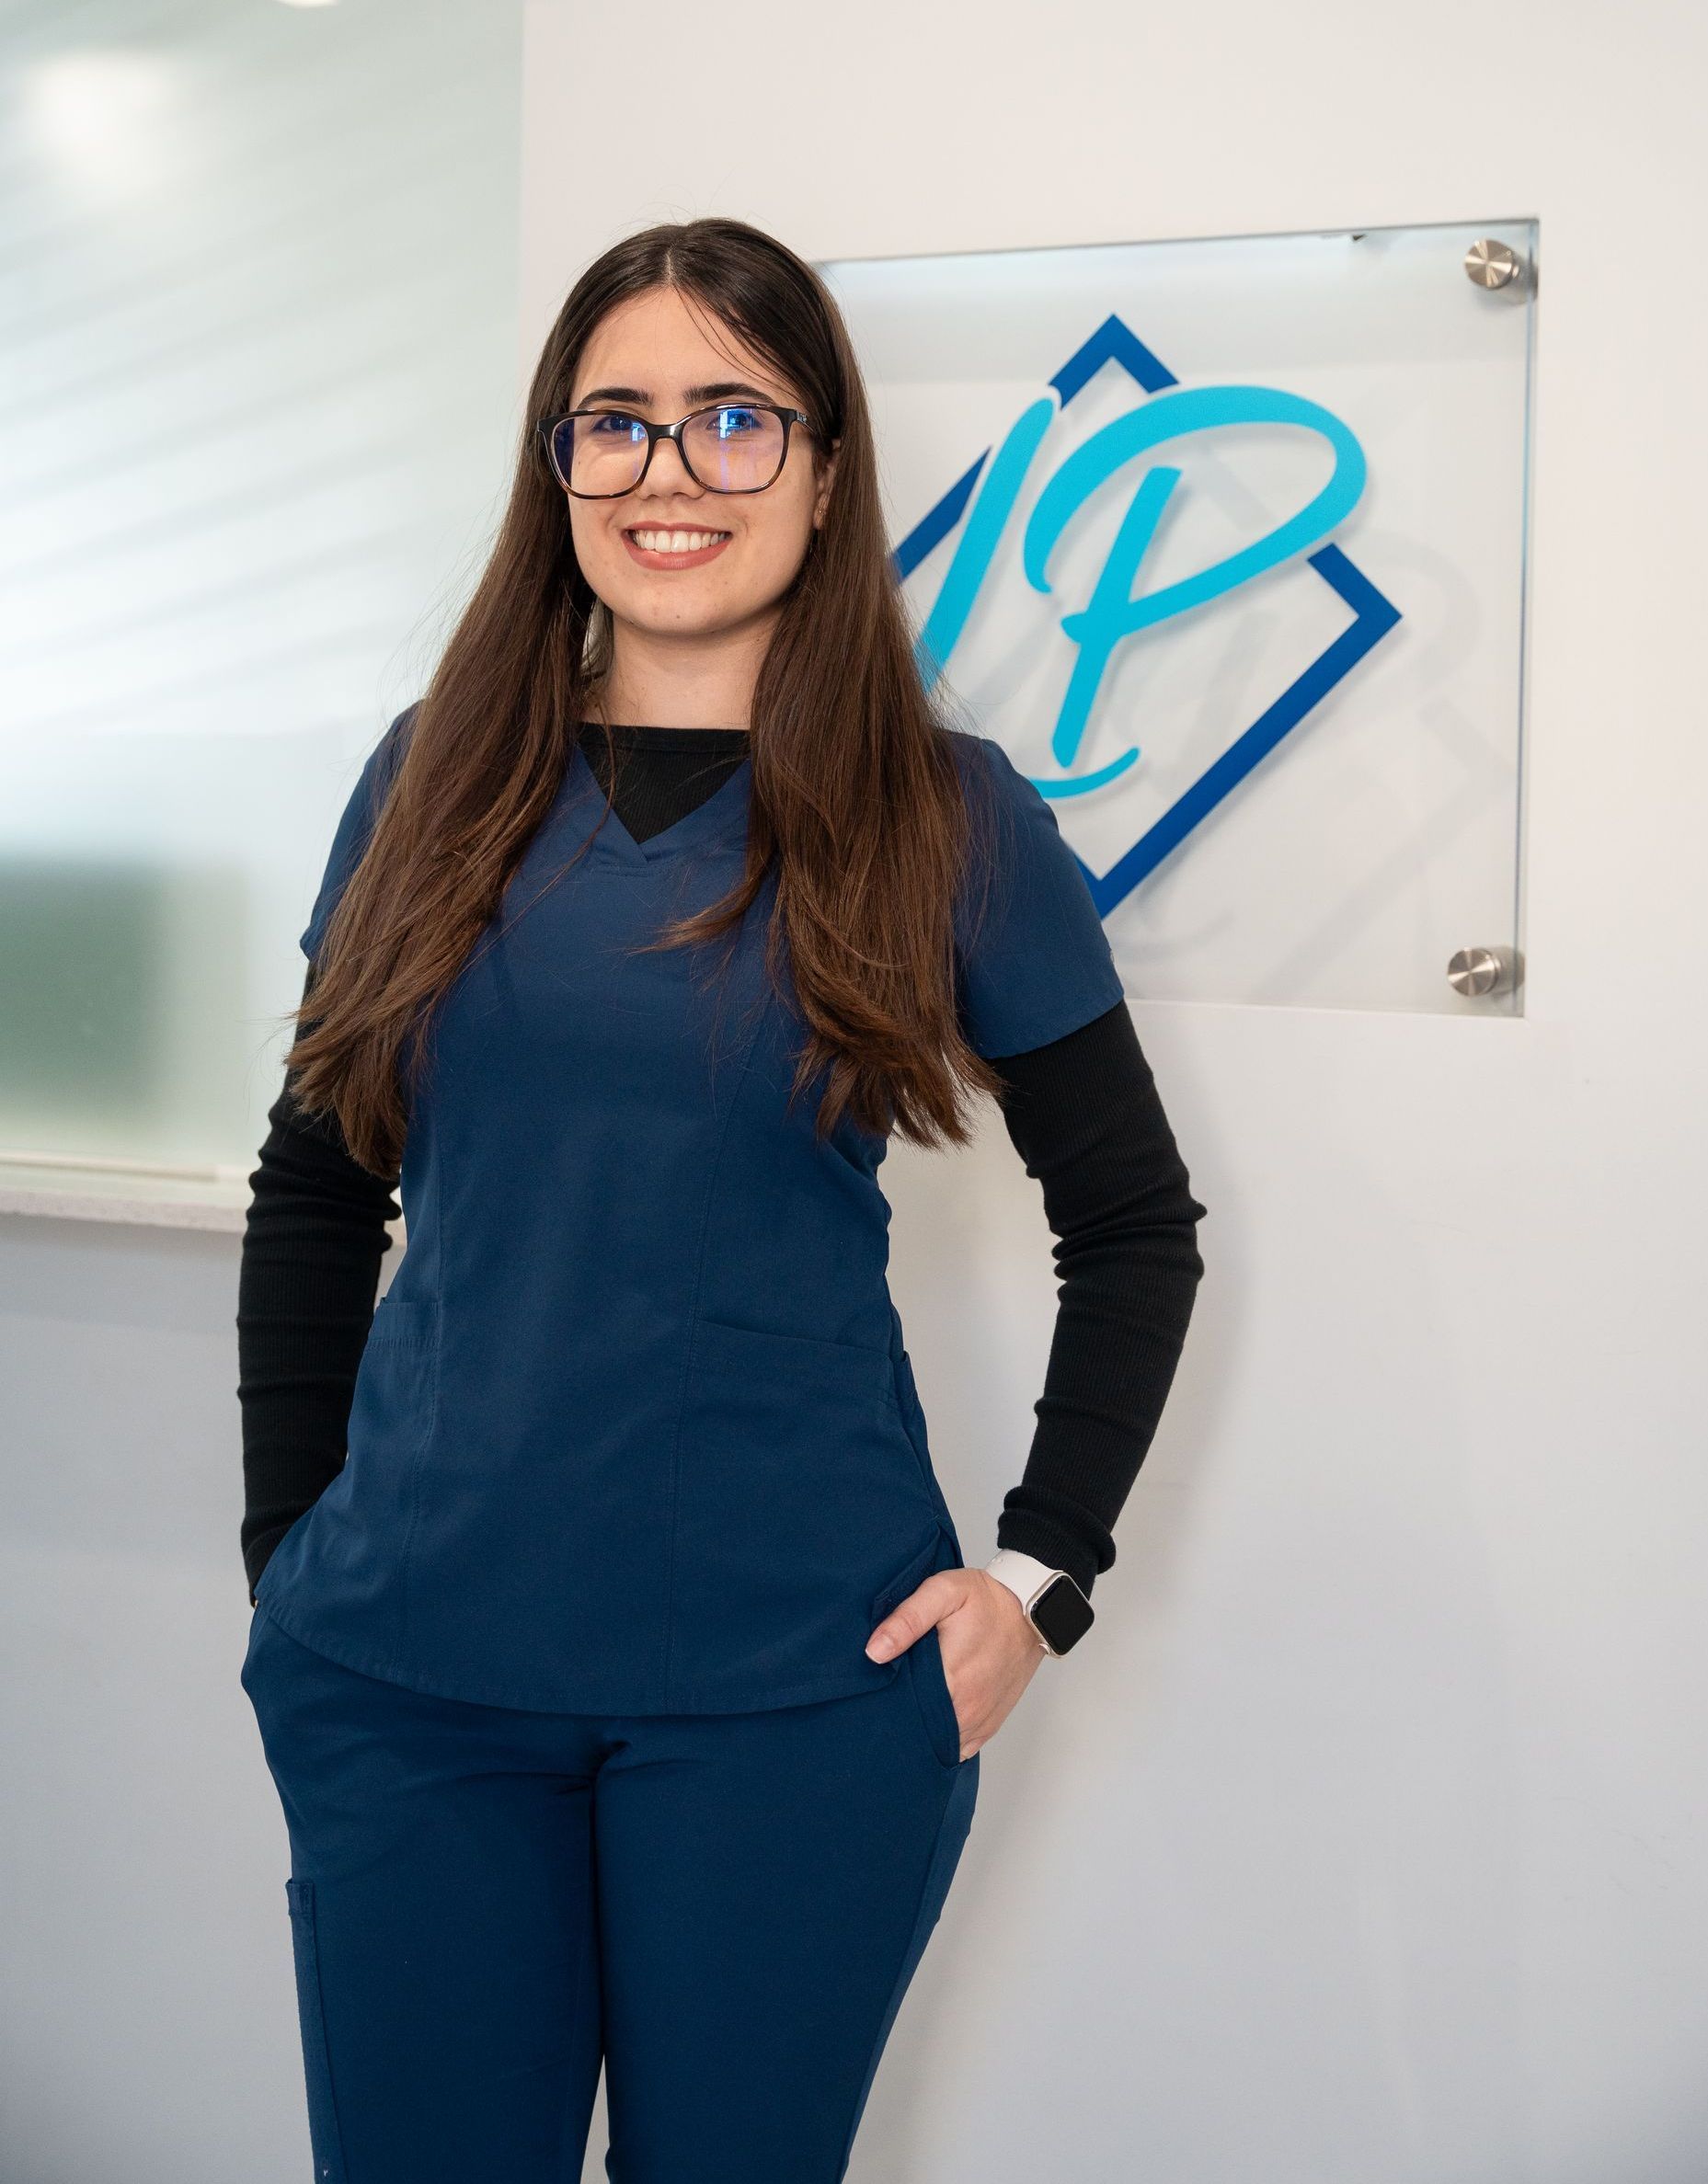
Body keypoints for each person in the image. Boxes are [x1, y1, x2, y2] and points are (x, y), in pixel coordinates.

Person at [236, 215, 1207, 2184]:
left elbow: (1132, 1226)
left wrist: (1039, 1580)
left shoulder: (947, 817)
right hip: (411, 1681)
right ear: (557, 467)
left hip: (793, 1696)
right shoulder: (428, 782)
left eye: (732, 421)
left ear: (828, 466)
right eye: (616, 424)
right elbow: (317, 1182)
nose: (668, 476)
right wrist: (289, 1554)